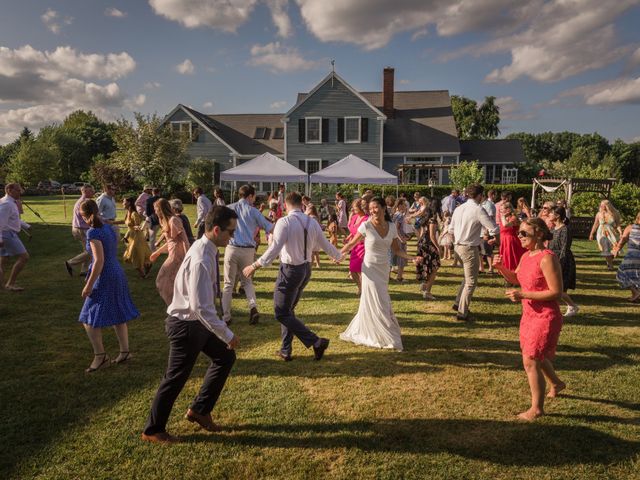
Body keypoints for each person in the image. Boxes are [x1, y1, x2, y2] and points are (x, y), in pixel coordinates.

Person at [142, 206, 239, 444]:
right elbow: (200, 307)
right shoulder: (201, 258)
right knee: (174, 378)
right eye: (230, 232)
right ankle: (153, 430)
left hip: (197, 324)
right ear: (216, 230)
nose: (232, 237)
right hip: (187, 325)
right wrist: (226, 334)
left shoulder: (205, 246)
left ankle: (200, 410)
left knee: (225, 358)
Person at [242, 192, 341, 361]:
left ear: (286, 205)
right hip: (305, 270)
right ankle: (286, 350)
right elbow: (325, 244)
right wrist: (338, 256)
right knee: (288, 311)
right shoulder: (312, 221)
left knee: (281, 312)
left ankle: (316, 341)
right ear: (301, 205)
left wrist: (255, 265)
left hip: (290, 271)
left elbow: (274, 249)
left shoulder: (284, 222)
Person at [492, 218, 566, 421]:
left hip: (546, 316)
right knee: (533, 355)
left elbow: (556, 292)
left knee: (531, 360)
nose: (520, 236)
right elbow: (517, 279)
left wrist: (523, 295)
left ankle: (537, 409)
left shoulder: (547, 258)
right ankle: (557, 383)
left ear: (539, 234)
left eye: (524, 233)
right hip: (529, 315)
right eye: (519, 233)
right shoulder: (526, 256)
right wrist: (500, 268)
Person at [340, 197, 419, 351]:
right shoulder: (366, 226)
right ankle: (380, 333)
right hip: (369, 269)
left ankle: (379, 330)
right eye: (370, 209)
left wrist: (412, 258)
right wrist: (338, 254)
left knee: (382, 299)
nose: (373, 211)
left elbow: (397, 250)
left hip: (384, 269)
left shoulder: (391, 226)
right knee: (378, 300)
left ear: (384, 208)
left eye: (376, 207)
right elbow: (351, 243)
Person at [78, 199, 139, 372]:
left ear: (86, 215)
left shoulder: (93, 233)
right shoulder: (108, 227)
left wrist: (89, 285)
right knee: (118, 314)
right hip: (117, 272)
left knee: (88, 317)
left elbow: (99, 261)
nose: (81, 219)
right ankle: (125, 351)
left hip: (106, 275)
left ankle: (100, 356)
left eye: (81, 216)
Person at [222, 184, 274, 325]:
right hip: (248, 250)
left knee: (228, 284)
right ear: (250, 196)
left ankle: (226, 316)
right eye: (254, 196)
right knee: (247, 282)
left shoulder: (228, 208)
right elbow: (269, 227)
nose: (254, 199)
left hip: (232, 248)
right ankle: (253, 307)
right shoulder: (253, 211)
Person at [448, 184, 498, 321]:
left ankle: (458, 303)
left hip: (458, 246)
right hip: (468, 247)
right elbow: (493, 228)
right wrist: (495, 236)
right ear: (480, 195)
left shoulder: (459, 208)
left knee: (467, 278)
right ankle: (462, 313)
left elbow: (450, 230)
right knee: (471, 281)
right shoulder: (478, 209)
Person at [151, 199, 190, 306]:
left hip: (178, 256)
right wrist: (157, 252)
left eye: (156, 209)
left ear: (162, 209)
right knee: (171, 282)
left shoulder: (174, 220)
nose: (155, 212)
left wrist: (187, 258)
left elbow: (184, 239)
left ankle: (173, 307)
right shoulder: (165, 220)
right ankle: (175, 307)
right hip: (173, 254)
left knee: (161, 280)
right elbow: (170, 242)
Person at [548, 206, 579, 316]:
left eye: (551, 213)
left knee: (560, 289)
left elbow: (564, 248)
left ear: (557, 216)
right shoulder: (553, 229)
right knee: (552, 287)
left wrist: (560, 264)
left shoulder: (565, 229)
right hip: (552, 259)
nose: (549, 215)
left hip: (563, 260)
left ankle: (572, 306)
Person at [0, 183, 30, 291]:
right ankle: (10, 284)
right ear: (9, 190)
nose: (20, 192)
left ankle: (2, 285)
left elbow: (14, 219)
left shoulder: (11, 202)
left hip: (7, 234)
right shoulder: (6, 204)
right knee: (24, 257)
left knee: (4, 260)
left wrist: (27, 226)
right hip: (7, 234)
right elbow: (0, 222)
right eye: (18, 190)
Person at [65, 184, 94, 277]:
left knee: (87, 250)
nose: (93, 192)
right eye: (90, 191)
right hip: (82, 229)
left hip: (78, 228)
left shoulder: (80, 201)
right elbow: (89, 217)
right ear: (84, 191)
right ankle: (71, 263)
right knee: (90, 251)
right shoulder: (85, 203)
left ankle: (84, 270)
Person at [612, 211, 640, 302]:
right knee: (637, 275)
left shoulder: (630, 228)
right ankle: (635, 296)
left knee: (621, 274)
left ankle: (635, 292)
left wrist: (616, 250)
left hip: (632, 256)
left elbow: (623, 240)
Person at [122, 197, 152, 278]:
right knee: (134, 255)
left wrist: (137, 227)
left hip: (137, 237)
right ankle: (147, 266)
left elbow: (137, 225)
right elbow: (126, 223)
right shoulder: (128, 213)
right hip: (131, 237)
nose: (122, 203)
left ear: (129, 203)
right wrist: (111, 222)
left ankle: (143, 273)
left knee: (135, 255)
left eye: (124, 202)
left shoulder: (134, 213)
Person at [589, 200, 623, 270]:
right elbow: (595, 224)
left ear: (607, 206)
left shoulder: (615, 213)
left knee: (615, 250)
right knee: (606, 248)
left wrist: (620, 232)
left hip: (612, 233)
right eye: (601, 205)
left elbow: (618, 224)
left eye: (603, 205)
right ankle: (610, 265)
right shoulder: (598, 214)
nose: (601, 207)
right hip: (601, 233)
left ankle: (609, 260)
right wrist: (591, 233)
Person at [416, 204, 441, 300]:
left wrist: (419, 243)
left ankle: (424, 284)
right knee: (434, 268)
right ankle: (427, 292)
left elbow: (422, 233)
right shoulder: (432, 220)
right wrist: (438, 247)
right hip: (429, 245)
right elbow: (432, 236)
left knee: (425, 266)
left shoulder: (425, 219)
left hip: (422, 244)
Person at [346, 199, 369, 296]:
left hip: (363, 246)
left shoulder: (367, 219)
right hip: (354, 246)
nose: (353, 209)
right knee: (352, 269)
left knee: (361, 270)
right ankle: (360, 287)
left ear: (361, 207)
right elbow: (352, 230)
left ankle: (364, 290)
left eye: (355, 207)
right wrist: (349, 237)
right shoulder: (355, 217)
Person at [499, 203, 527, 274]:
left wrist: (503, 217)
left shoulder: (513, 218)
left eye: (502, 209)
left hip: (511, 241)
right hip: (503, 240)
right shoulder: (503, 218)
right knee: (505, 258)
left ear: (508, 209)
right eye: (500, 209)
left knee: (512, 258)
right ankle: (507, 275)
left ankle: (514, 274)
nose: (500, 211)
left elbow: (506, 225)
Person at [391, 199, 411, 282]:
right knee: (401, 258)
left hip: (394, 237)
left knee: (392, 257)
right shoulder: (400, 215)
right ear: (399, 206)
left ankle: (388, 276)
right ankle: (399, 277)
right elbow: (396, 228)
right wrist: (401, 239)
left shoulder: (395, 214)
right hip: (399, 238)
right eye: (403, 205)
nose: (405, 206)